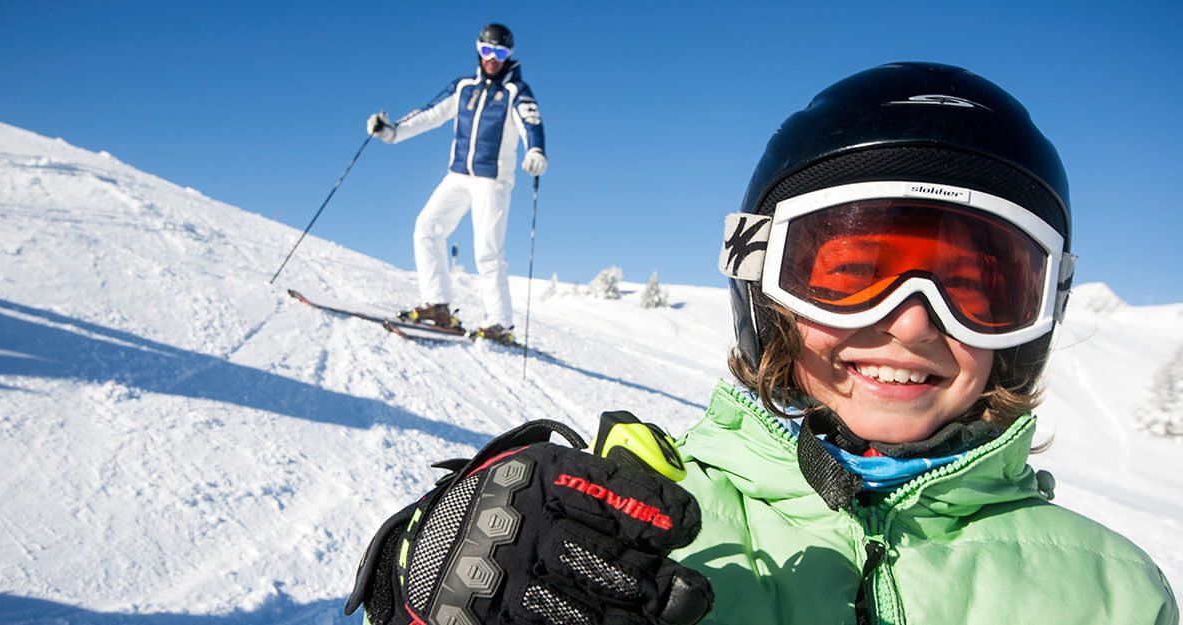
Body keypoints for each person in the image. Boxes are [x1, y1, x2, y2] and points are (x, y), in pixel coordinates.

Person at [344, 63, 1178, 625]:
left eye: (978, 286)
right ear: (763, 284)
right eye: (853, 270)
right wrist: (423, 580)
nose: (915, 320)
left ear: (1034, 317)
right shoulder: (638, 521)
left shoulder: (1117, 593)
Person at [366, 23, 546, 343]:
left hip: (492, 181)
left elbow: (531, 122)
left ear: (510, 56)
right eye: (487, 51)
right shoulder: (463, 88)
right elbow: (429, 114)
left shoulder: (516, 92)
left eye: (500, 53)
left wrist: (535, 150)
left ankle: (500, 323)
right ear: (478, 49)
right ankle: (437, 306)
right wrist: (392, 132)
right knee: (427, 227)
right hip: (458, 175)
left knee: (487, 252)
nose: (493, 59)